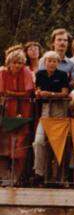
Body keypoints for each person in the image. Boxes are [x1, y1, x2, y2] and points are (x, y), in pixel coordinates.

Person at [32, 51, 72, 186]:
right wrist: (38, 93)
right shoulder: (40, 74)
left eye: (54, 61)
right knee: (38, 141)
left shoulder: (62, 75)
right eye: (49, 60)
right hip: (45, 110)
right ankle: (39, 173)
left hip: (58, 109)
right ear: (45, 62)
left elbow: (65, 93)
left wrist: (50, 94)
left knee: (57, 144)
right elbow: (37, 90)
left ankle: (58, 177)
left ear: (58, 63)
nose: (51, 63)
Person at [1, 50, 35, 185]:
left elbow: (28, 92)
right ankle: (4, 177)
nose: (18, 65)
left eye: (20, 63)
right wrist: (17, 94)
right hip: (6, 111)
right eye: (15, 62)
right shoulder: (2, 72)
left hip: (23, 112)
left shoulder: (26, 72)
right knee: (3, 147)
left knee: (20, 147)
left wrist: (12, 93)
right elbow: (2, 91)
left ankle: (15, 178)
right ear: (9, 62)